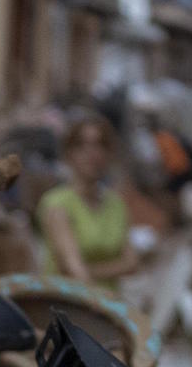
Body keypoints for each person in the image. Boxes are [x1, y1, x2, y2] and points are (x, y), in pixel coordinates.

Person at [37, 110, 139, 287]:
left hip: (108, 303)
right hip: (71, 304)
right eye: (82, 146)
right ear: (69, 154)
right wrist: (109, 269)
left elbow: (131, 263)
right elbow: (74, 270)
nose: (93, 153)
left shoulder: (116, 204)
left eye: (100, 145)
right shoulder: (57, 204)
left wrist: (91, 270)